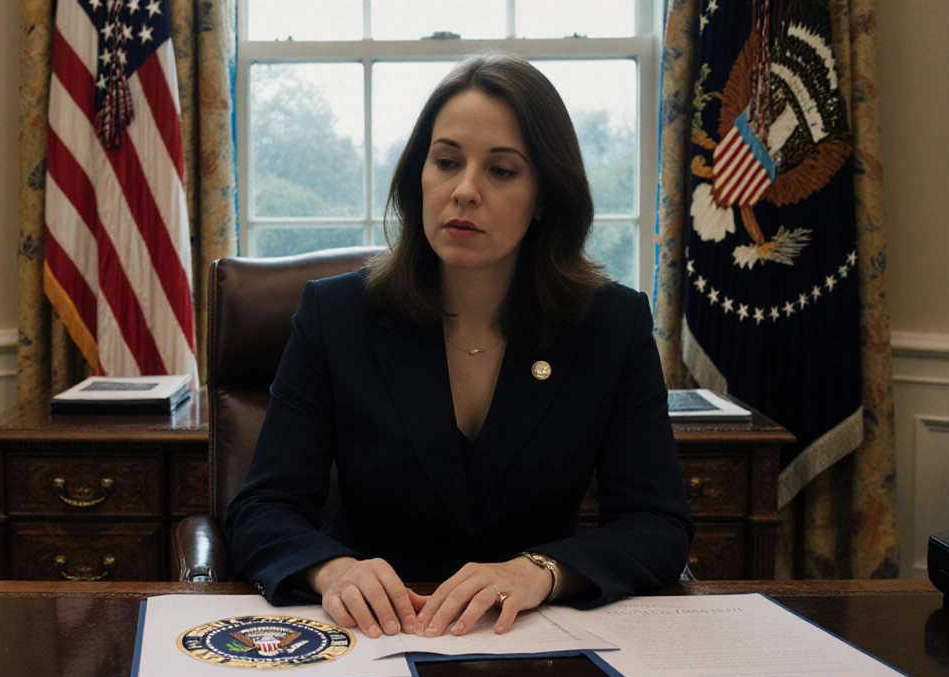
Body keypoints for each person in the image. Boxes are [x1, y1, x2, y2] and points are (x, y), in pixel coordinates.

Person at [225, 53, 692, 641]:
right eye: (446, 162)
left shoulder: (610, 322)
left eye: (501, 171)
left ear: (545, 195)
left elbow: (657, 524)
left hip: (536, 644)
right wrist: (334, 570)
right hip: (375, 642)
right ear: (419, 174)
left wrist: (542, 572)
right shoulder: (336, 315)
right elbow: (261, 509)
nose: (464, 191)